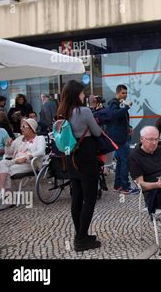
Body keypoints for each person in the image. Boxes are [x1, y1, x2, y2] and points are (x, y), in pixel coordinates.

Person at [56, 80, 103, 251]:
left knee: (76, 198)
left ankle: (80, 234)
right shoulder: (83, 111)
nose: (84, 95)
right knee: (89, 199)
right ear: (77, 94)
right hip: (86, 157)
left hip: (70, 156)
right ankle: (81, 241)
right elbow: (97, 132)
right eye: (82, 93)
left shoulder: (62, 112)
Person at [0, 118, 46, 211]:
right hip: (16, 162)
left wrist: (26, 157)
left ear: (31, 128)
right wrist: (8, 145)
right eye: (21, 126)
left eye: (24, 126)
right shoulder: (19, 139)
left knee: (7, 170)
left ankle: (7, 198)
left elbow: (41, 151)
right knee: (2, 163)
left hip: (30, 164)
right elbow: (9, 153)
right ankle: (2, 190)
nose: (21, 128)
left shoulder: (39, 138)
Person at [107, 84, 138, 194]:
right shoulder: (113, 103)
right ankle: (126, 187)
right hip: (119, 138)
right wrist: (126, 107)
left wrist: (128, 127)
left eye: (126, 93)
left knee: (121, 161)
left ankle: (118, 185)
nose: (125, 95)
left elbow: (120, 119)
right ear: (117, 93)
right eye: (123, 93)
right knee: (125, 160)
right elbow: (115, 115)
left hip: (122, 136)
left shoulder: (119, 103)